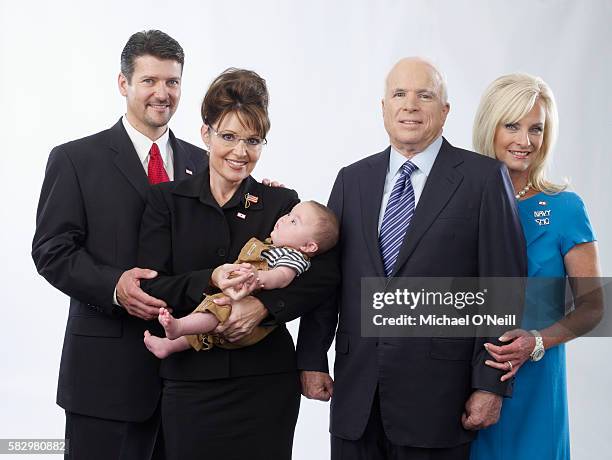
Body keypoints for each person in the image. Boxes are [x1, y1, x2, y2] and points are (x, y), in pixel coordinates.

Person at [297, 57, 527, 460]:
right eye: (399, 94)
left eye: (425, 95)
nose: (410, 105)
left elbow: (502, 289)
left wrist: (490, 385)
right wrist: (312, 356)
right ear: (383, 107)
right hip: (357, 397)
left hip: (440, 399)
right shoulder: (353, 179)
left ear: (445, 110)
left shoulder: (484, 179)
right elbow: (327, 278)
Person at [136, 67, 339, 460]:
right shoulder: (167, 201)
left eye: (253, 141)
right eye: (228, 136)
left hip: (265, 384)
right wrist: (209, 277)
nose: (240, 152)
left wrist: (263, 306)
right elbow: (151, 284)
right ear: (205, 133)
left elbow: (323, 275)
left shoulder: (282, 203)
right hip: (190, 383)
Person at [31, 30, 206, 459]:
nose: (162, 93)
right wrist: (114, 286)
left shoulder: (203, 163)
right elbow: (51, 249)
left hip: (190, 380)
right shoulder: (75, 159)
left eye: (172, 82)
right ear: (124, 84)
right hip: (104, 381)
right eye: (149, 81)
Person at [469, 73, 603, 460]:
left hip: (536, 380)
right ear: (490, 126)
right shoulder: (460, 202)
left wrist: (538, 342)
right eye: (512, 125)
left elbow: (594, 307)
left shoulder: (565, 207)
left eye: (536, 129)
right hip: (465, 378)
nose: (525, 141)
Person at [143, 200, 339, 357]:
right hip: (236, 300)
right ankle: (169, 346)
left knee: (215, 310)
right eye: (289, 214)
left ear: (309, 247)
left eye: (294, 221)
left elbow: (282, 277)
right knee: (209, 318)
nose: (284, 219)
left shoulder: (293, 256)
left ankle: (179, 327)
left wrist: (259, 277)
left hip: (249, 321)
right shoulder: (273, 246)